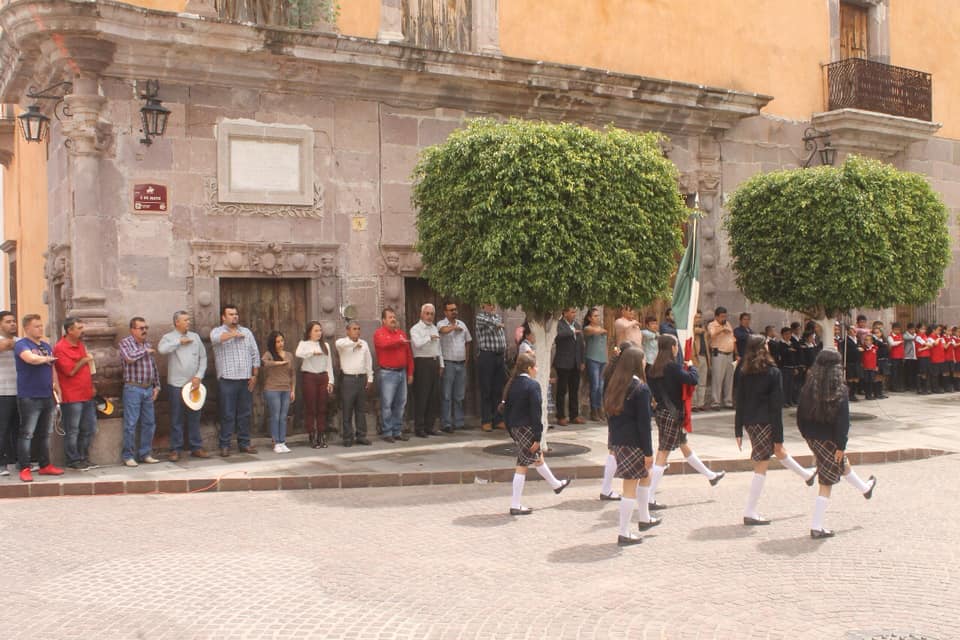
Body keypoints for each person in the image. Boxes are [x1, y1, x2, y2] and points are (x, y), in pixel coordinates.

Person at [734, 336, 816, 525]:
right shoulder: (773, 372)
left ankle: (806, 475)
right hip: (766, 421)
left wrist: (738, 429)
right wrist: (779, 435)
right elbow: (775, 407)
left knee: (778, 452)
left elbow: (740, 401)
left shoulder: (743, 370)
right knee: (762, 465)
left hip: (750, 421)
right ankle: (750, 511)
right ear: (764, 348)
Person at [797, 350, 878, 539]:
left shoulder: (808, 387)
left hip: (812, 436)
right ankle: (817, 526)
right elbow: (843, 422)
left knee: (841, 464)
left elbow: (800, 414)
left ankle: (865, 488)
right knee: (826, 481)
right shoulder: (839, 390)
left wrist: (806, 435)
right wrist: (841, 445)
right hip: (831, 439)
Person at [646, 334, 724, 510]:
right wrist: (691, 367)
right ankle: (649, 496)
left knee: (683, 445)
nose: (677, 348)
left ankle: (710, 475)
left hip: (662, 412)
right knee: (663, 453)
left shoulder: (652, 369)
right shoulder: (672, 367)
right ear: (672, 347)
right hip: (672, 414)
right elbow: (692, 379)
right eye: (676, 345)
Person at [502, 352, 571, 515]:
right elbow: (536, 412)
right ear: (529, 368)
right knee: (522, 465)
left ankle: (556, 484)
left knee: (537, 458)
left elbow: (505, 409)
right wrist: (538, 436)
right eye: (535, 367)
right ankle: (515, 504)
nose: (537, 369)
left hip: (516, 428)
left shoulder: (511, 384)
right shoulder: (532, 385)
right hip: (527, 428)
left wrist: (510, 430)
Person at [604, 346, 660, 546]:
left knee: (646, 477)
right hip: (634, 443)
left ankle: (644, 518)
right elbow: (644, 424)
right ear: (637, 363)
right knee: (630, 487)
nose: (645, 363)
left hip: (619, 441)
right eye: (643, 360)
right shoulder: (641, 388)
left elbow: (609, 415)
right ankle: (624, 532)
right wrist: (648, 452)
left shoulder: (616, 384)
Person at [14, 314, 65, 482]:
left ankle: (45, 465)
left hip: (47, 395)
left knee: (45, 433)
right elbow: (30, 358)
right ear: (26, 328)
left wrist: (56, 385)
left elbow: (52, 368)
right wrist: (46, 358)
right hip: (29, 396)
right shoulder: (22, 344)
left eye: (41, 325)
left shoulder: (45, 345)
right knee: (27, 433)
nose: (40, 329)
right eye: (36, 326)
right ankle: (25, 467)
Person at [157, 310, 209, 461]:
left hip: (194, 384)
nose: (188, 322)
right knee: (176, 417)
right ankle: (175, 449)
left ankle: (196, 447)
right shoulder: (168, 337)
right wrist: (179, 342)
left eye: (188, 320)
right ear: (177, 322)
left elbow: (203, 358)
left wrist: (199, 376)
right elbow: (161, 350)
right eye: (185, 320)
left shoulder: (195, 337)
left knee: (194, 416)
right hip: (176, 384)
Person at [210, 304, 260, 457]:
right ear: (223, 317)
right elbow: (217, 340)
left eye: (236, 314)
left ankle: (244, 443)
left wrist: (254, 375)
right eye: (231, 314)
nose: (235, 317)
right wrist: (233, 335)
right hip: (227, 380)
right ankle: (224, 445)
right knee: (227, 413)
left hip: (245, 379)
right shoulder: (217, 331)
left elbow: (255, 354)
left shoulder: (247, 332)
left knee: (245, 413)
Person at [54, 317, 98, 470]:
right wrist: (84, 360)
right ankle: (72, 460)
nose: (82, 330)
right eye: (79, 328)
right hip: (72, 395)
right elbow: (70, 371)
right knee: (72, 430)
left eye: (82, 327)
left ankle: (83, 457)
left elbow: (87, 369)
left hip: (86, 393)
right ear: (69, 330)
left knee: (89, 428)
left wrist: (92, 386)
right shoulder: (60, 348)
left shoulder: (80, 344)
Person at [118, 317, 161, 466]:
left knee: (149, 423)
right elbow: (129, 358)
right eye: (141, 328)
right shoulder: (125, 343)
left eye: (146, 328)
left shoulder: (146, 345)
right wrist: (144, 350)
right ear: (132, 330)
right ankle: (128, 455)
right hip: (133, 388)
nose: (145, 331)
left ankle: (145, 453)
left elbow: (153, 367)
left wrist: (157, 386)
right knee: (131, 423)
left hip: (148, 388)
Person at [374, 307, 414, 443]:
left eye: (394, 317)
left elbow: (408, 355)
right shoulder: (379, 333)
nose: (393, 319)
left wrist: (410, 373)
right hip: (387, 373)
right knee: (387, 404)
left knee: (401, 403)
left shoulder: (401, 333)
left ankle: (397, 431)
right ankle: (387, 432)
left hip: (402, 372)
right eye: (390, 317)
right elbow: (384, 345)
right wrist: (398, 342)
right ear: (383, 320)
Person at [296, 321, 335, 448]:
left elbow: (329, 364)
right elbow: (298, 354)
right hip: (309, 376)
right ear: (309, 332)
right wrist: (312, 353)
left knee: (322, 408)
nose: (319, 333)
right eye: (316, 331)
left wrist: (330, 381)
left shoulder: (325, 345)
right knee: (311, 407)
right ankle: (311, 434)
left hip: (323, 376)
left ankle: (321, 434)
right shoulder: (304, 344)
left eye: (320, 330)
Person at [335, 321, 374, 447]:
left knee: (361, 409)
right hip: (348, 379)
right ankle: (347, 437)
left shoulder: (364, 344)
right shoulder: (342, 343)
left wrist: (370, 378)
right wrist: (353, 345)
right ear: (348, 331)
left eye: (358, 328)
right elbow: (339, 344)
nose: (357, 331)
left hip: (361, 378)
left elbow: (368, 361)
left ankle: (361, 435)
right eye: (354, 329)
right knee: (347, 409)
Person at [409, 303, 443, 438]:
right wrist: (429, 338)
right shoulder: (415, 329)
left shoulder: (434, 328)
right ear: (421, 314)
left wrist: (441, 364)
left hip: (434, 362)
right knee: (422, 396)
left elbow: (439, 347)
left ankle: (430, 426)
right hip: (422, 362)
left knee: (433, 397)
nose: (429, 316)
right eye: (427, 313)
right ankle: (419, 427)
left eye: (432, 314)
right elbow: (417, 344)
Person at [438, 301, 472, 432]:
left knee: (459, 395)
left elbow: (468, 342)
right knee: (446, 395)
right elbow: (442, 331)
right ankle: (446, 423)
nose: (454, 312)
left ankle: (459, 422)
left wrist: (467, 359)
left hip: (461, 363)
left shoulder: (462, 324)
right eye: (451, 310)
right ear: (445, 312)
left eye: (455, 309)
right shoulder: (441, 323)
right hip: (448, 363)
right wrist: (453, 328)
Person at [475, 303, 507, 432]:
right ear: (483, 306)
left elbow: (497, 323)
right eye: (489, 305)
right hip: (487, 355)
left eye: (494, 304)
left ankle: (497, 419)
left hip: (499, 356)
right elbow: (489, 321)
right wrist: (496, 323)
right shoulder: (480, 317)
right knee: (486, 389)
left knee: (498, 389)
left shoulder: (497, 317)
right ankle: (486, 421)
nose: (493, 307)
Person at [262, 331, 296, 453]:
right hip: (272, 388)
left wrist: (293, 390)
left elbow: (293, 374)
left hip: (286, 389)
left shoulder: (289, 355)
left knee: (283, 416)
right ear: (273, 343)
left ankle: (282, 441)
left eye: (282, 340)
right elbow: (264, 363)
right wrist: (278, 363)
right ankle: (275, 442)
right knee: (275, 416)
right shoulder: (269, 354)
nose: (281, 343)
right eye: (277, 341)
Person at [553, 307, 585, 426]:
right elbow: (558, 335)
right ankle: (560, 416)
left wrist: (582, 361)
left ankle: (574, 415)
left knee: (574, 390)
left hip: (575, 362)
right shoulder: (559, 324)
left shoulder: (577, 324)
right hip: (563, 362)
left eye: (575, 312)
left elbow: (581, 344)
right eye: (571, 312)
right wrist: (572, 332)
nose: (574, 314)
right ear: (565, 313)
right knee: (561, 390)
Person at [0, 311, 19, 477]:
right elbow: (5, 346)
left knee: (19, 429)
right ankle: (1, 464)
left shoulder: (20, 341)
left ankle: (18, 461)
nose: (13, 324)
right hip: (2, 392)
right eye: (8, 322)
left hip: (19, 391)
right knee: (3, 429)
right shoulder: (17, 343)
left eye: (14, 321)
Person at [707, 306, 736, 409]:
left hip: (729, 354)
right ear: (716, 316)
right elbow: (712, 335)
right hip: (718, 353)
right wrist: (721, 330)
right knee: (717, 378)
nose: (724, 318)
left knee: (729, 378)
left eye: (725, 316)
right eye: (722, 316)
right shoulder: (712, 325)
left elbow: (733, 339)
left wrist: (736, 354)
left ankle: (728, 401)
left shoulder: (728, 324)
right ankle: (715, 402)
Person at [582, 307, 607, 422]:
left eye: (598, 315)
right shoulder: (588, 328)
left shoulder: (601, 328)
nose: (598, 318)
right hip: (592, 359)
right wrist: (601, 330)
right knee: (595, 385)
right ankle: (594, 410)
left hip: (602, 360)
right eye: (595, 316)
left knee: (601, 387)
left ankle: (600, 409)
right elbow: (593, 332)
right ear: (589, 318)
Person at [690, 311, 711, 411]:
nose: (698, 319)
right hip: (695, 357)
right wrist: (698, 328)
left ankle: (700, 404)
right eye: (696, 317)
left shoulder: (703, 329)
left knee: (703, 382)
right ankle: (693, 404)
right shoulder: (691, 329)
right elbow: (695, 331)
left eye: (700, 317)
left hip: (704, 356)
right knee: (695, 382)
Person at [860, 334, 879, 400]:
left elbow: (877, 358)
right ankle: (867, 394)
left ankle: (870, 394)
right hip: (865, 367)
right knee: (866, 381)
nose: (867, 341)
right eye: (865, 340)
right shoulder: (863, 348)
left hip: (872, 367)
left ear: (872, 341)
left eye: (868, 340)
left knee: (871, 381)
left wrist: (877, 365)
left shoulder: (875, 348)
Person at [888, 322, 905, 392]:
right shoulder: (890, 336)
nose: (897, 331)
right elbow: (892, 343)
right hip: (894, 357)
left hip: (900, 356)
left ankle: (900, 386)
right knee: (894, 372)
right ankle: (893, 387)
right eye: (896, 329)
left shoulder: (900, 335)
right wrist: (900, 342)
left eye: (898, 330)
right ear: (892, 329)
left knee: (900, 372)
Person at [903, 323, 917, 391]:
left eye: (914, 329)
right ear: (908, 329)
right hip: (908, 356)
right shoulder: (905, 335)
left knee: (914, 372)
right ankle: (908, 386)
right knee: (908, 372)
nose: (913, 331)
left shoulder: (915, 335)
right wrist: (918, 336)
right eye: (911, 329)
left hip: (915, 356)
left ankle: (913, 385)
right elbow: (912, 338)